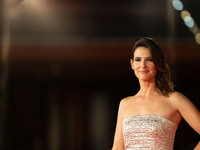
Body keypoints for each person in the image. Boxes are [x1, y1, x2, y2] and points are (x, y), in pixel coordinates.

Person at [112, 37, 200, 150]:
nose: (142, 65)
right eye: (138, 59)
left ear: (158, 63)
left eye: (149, 60)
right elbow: (117, 148)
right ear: (132, 64)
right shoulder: (125, 104)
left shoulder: (174, 99)